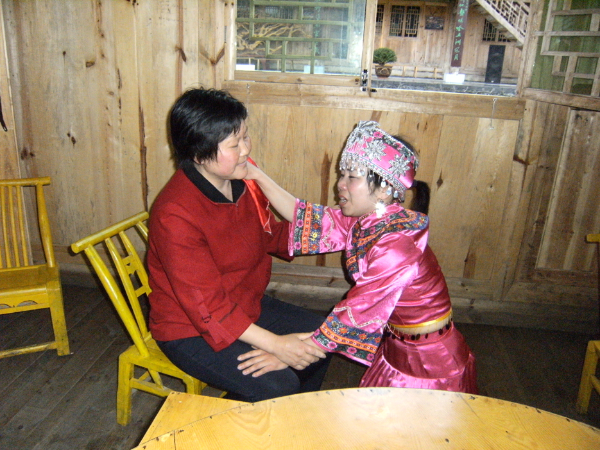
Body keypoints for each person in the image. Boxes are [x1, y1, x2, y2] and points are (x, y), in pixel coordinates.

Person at [239, 120, 477, 393]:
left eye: (352, 177)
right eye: (342, 175)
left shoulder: (398, 245)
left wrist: (289, 353)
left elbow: (358, 309)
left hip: (432, 365)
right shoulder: (369, 220)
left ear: (385, 189)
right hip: (399, 349)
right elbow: (304, 215)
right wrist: (255, 174)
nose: (339, 185)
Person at [146, 87, 330, 402]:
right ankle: (233, 424)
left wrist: (331, 236)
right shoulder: (175, 214)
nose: (245, 149)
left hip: (243, 304)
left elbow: (268, 234)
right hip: (190, 328)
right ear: (198, 154)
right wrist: (275, 344)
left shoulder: (239, 180)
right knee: (278, 384)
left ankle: (290, 416)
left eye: (246, 137)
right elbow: (207, 307)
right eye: (234, 144)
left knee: (324, 338)